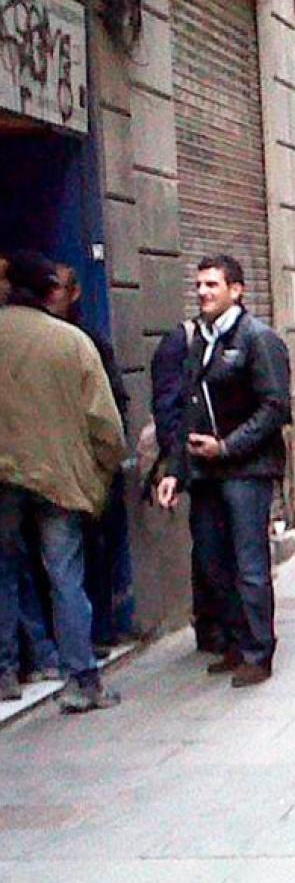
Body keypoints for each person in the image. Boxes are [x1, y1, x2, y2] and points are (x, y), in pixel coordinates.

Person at [155, 255, 292, 689]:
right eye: (199, 285)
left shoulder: (258, 339)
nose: (202, 292)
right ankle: (235, 642)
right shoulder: (201, 341)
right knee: (213, 562)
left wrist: (228, 446)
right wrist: (174, 470)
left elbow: (275, 407)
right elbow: (188, 410)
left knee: (249, 563)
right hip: (206, 472)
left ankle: (258, 651)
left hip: (247, 470)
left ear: (236, 290)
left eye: (212, 284)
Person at [0, 251, 126, 710]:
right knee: (65, 576)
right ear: (48, 289)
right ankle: (81, 681)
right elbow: (105, 422)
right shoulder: (72, 342)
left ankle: (5, 673)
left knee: (3, 572)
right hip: (59, 477)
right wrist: (105, 470)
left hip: (3, 477)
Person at [47, 264, 136, 652]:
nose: (52, 295)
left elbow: (114, 406)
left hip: (89, 467)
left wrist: (106, 462)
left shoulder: (90, 343)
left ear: (75, 293)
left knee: (94, 551)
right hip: (55, 467)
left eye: (59, 287)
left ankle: (98, 630)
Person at [148, 316, 220, 652]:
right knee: (208, 546)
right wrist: (175, 466)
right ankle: (210, 625)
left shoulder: (244, 336)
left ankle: (229, 626)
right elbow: (167, 409)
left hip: (236, 460)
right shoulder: (180, 341)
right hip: (198, 464)